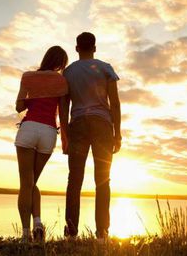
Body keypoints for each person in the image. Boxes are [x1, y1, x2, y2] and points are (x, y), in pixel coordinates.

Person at [60, 32, 122, 240]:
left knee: (74, 179)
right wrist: (118, 133)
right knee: (102, 179)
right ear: (95, 48)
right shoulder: (105, 68)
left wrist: (65, 135)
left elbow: (63, 105)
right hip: (103, 125)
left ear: (77, 48)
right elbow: (115, 102)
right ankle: (102, 233)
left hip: (77, 124)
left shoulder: (68, 72)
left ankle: (71, 232)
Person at [14, 46, 68, 242]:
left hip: (28, 130)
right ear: (61, 64)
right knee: (32, 183)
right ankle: (38, 223)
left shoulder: (28, 76)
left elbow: (19, 106)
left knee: (25, 184)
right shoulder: (62, 81)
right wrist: (65, 139)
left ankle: (26, 234)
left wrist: (31, 102)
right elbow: (63, 113)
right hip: (48, 133)